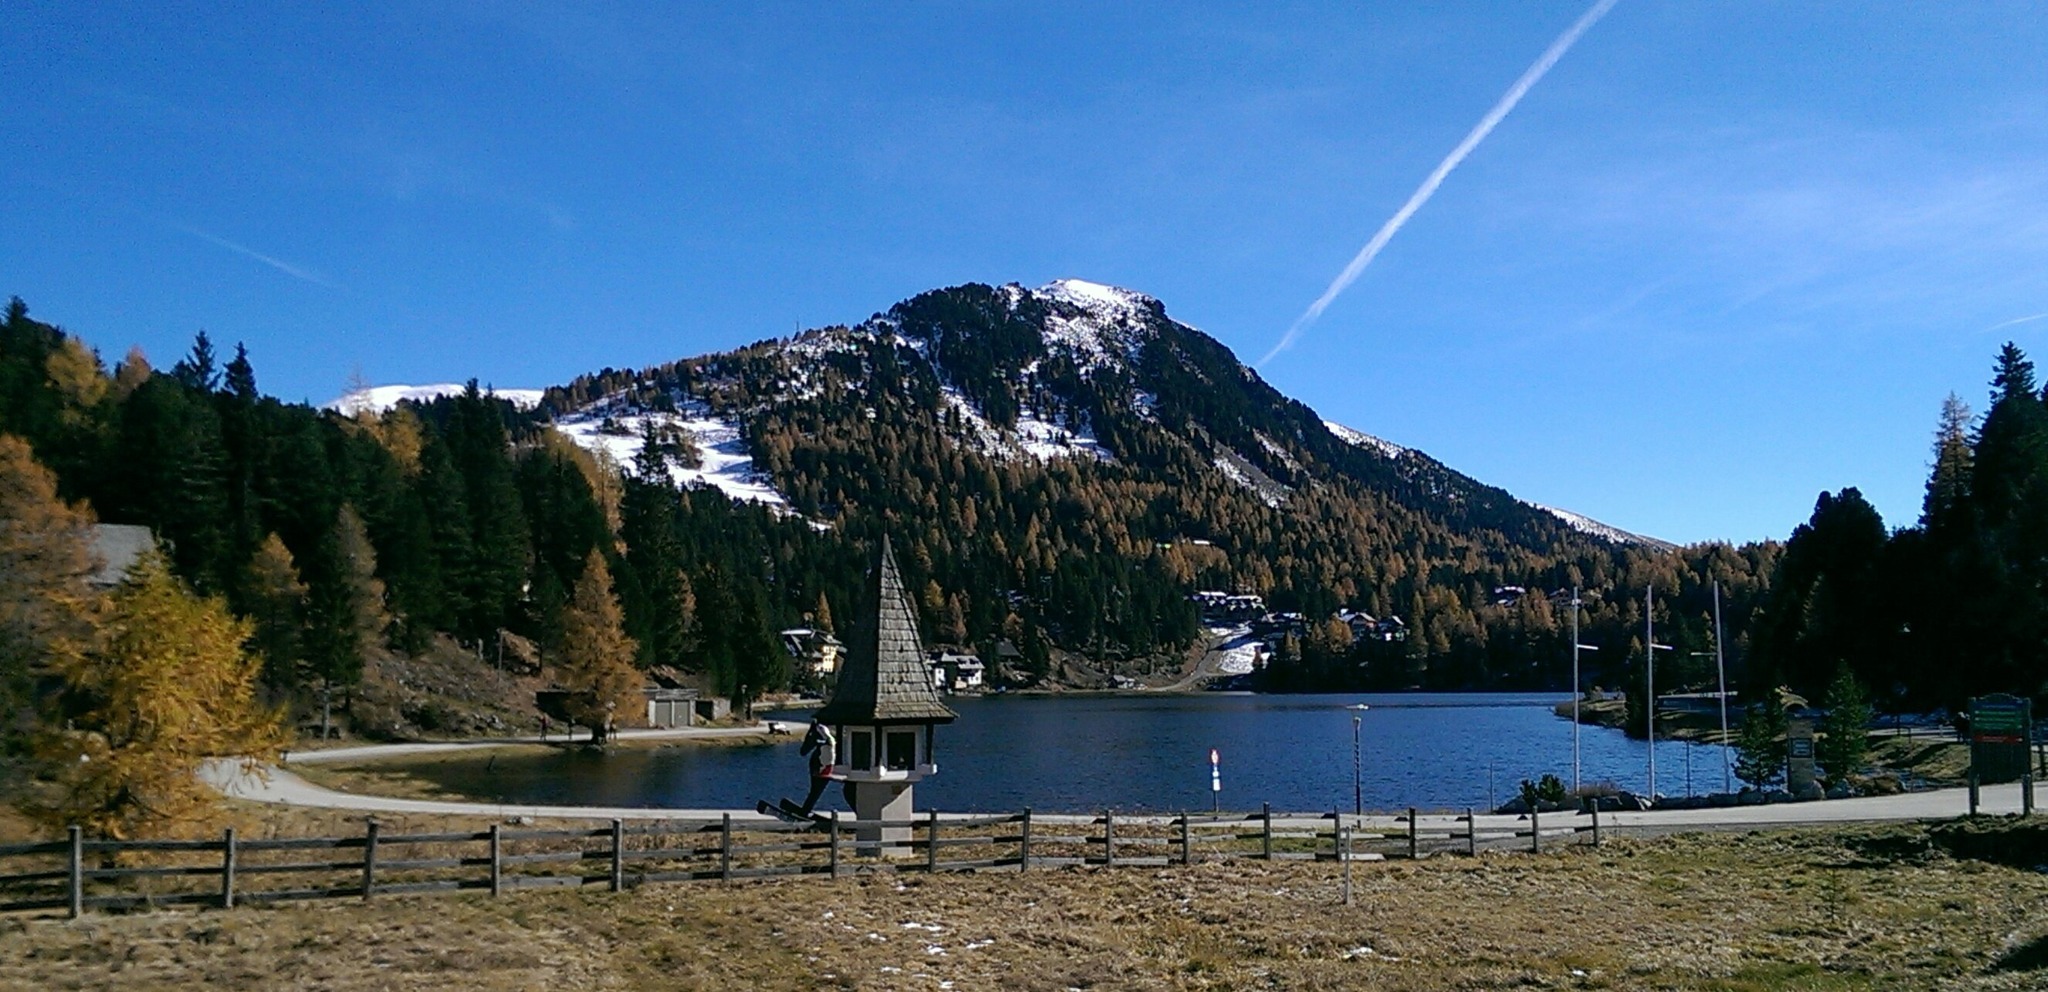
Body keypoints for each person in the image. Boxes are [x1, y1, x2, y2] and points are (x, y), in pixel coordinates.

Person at [797, 720, 837, 815]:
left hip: (825, 763)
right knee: (816, 791)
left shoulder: (819, 730)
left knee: (816, 791)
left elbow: (804, 751)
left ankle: (806, 810)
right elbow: (804, 751)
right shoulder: (825, 729)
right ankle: (806, 810)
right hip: (823, 763)